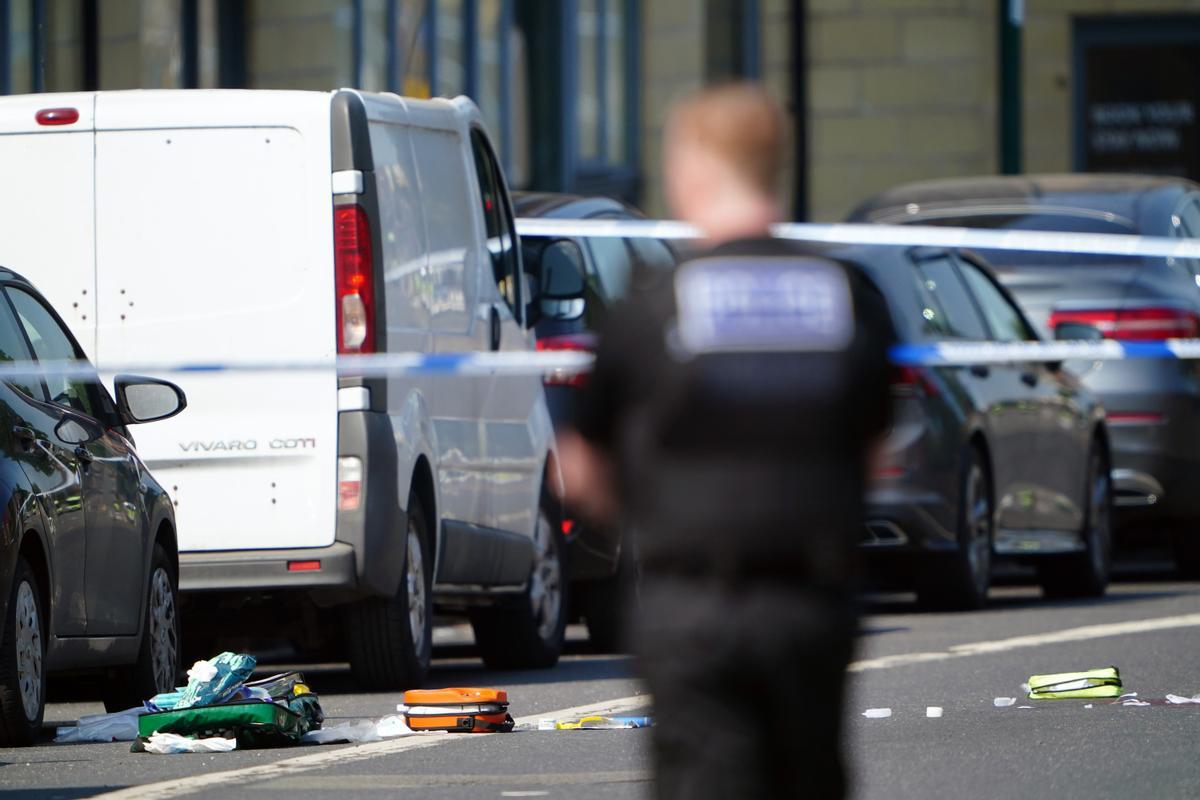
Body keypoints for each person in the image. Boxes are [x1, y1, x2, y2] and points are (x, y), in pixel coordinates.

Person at [557, 83, 896, 799]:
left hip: (693, 605)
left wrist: (652, 512)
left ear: (693, 172)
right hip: (812, 599)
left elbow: (580, 470)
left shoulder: (652, 308)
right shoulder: (850, 296)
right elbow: (877, 452)